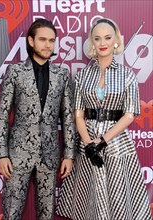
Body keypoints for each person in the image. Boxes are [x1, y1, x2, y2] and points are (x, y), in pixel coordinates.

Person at [56, 18, 152, 220]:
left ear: (116, 40)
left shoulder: (127, 75)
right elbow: (78, 114)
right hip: (87, 142)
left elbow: (129, 114)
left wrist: (102, 141)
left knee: (117, 195)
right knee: (88, 197)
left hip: (116, 143)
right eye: (97, 38)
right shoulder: (82, 76)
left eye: (107, 37)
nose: (102, 43)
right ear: (92, 42)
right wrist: (89, 143)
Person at [0, 18, 75, 220]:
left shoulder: (62, 74)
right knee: (11, 212)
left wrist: (69, 155)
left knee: (46, 214)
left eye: (51, 40)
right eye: (43, 40)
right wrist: (1, 154)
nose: (48, 45)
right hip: (17, 155)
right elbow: (3, 114)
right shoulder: (14, 71)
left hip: (50, 156)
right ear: (31, 41)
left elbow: (68, 118)